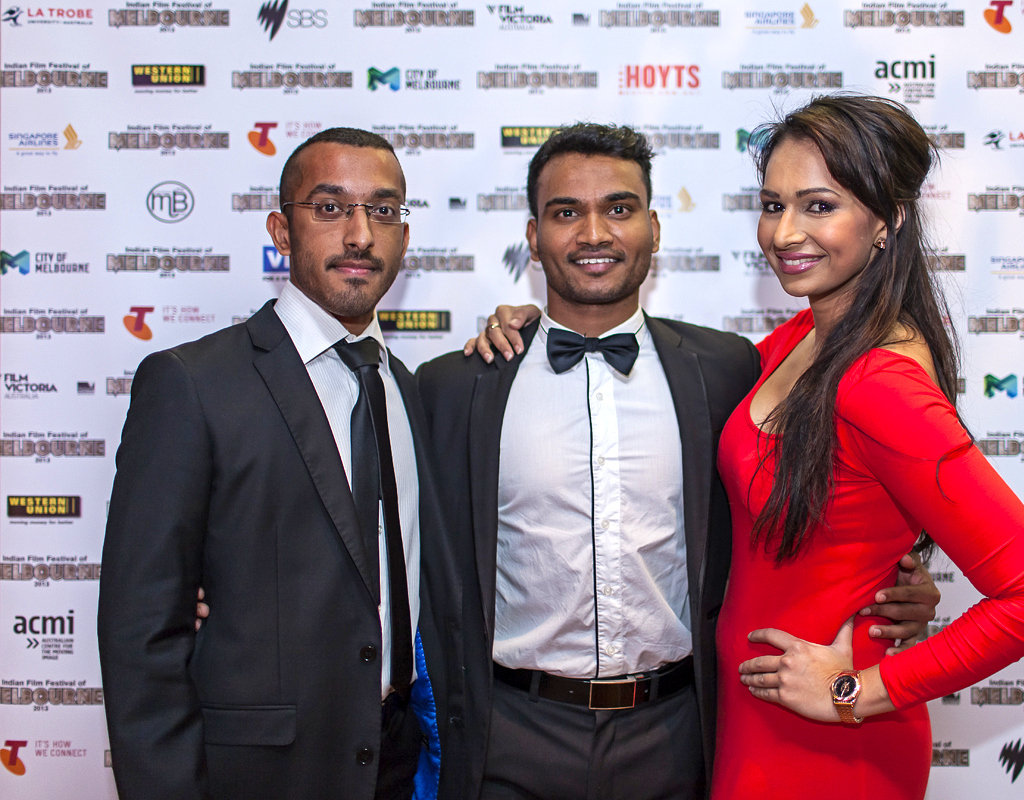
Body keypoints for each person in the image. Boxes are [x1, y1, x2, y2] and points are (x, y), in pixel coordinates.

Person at [420, 122, 941, 799]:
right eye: (565, 212)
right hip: (509, 734)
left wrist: (891, 589)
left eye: (619, 208)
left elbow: (820, 500)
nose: (594, 233)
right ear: (532, 237)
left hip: (677, 734)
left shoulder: (730, 373)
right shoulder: (454, 387)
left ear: (655, 228)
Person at [711, 95, 1024, 798]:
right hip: (757, 721)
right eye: (772, 203)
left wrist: (854, 691)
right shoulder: (802, 339)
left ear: (889, 222)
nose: (784, 231)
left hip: (827, 748)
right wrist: (532, 327)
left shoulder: (879, 380)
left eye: (819, 206)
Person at [98, 128, 466, 800]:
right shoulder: (192, 384)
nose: (359, 234)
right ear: (281, 229)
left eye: (383, 211)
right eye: (330, 208)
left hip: (394, 763)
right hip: (257, 773)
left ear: (404, 237)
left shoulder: (410, 391)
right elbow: (140, 633)